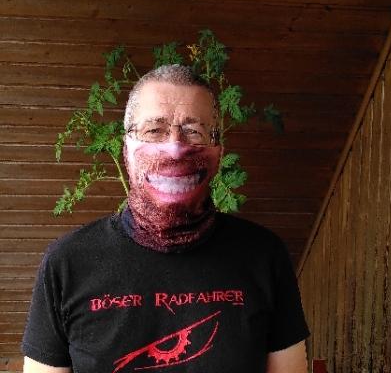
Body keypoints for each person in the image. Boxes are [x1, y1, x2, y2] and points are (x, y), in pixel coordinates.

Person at [22, 65, 309, 373]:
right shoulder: (67, 263)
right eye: (153, 130)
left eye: (194, 131)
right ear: (126, 150)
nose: (175, 148)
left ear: (219, 152)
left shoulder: (264, 255)